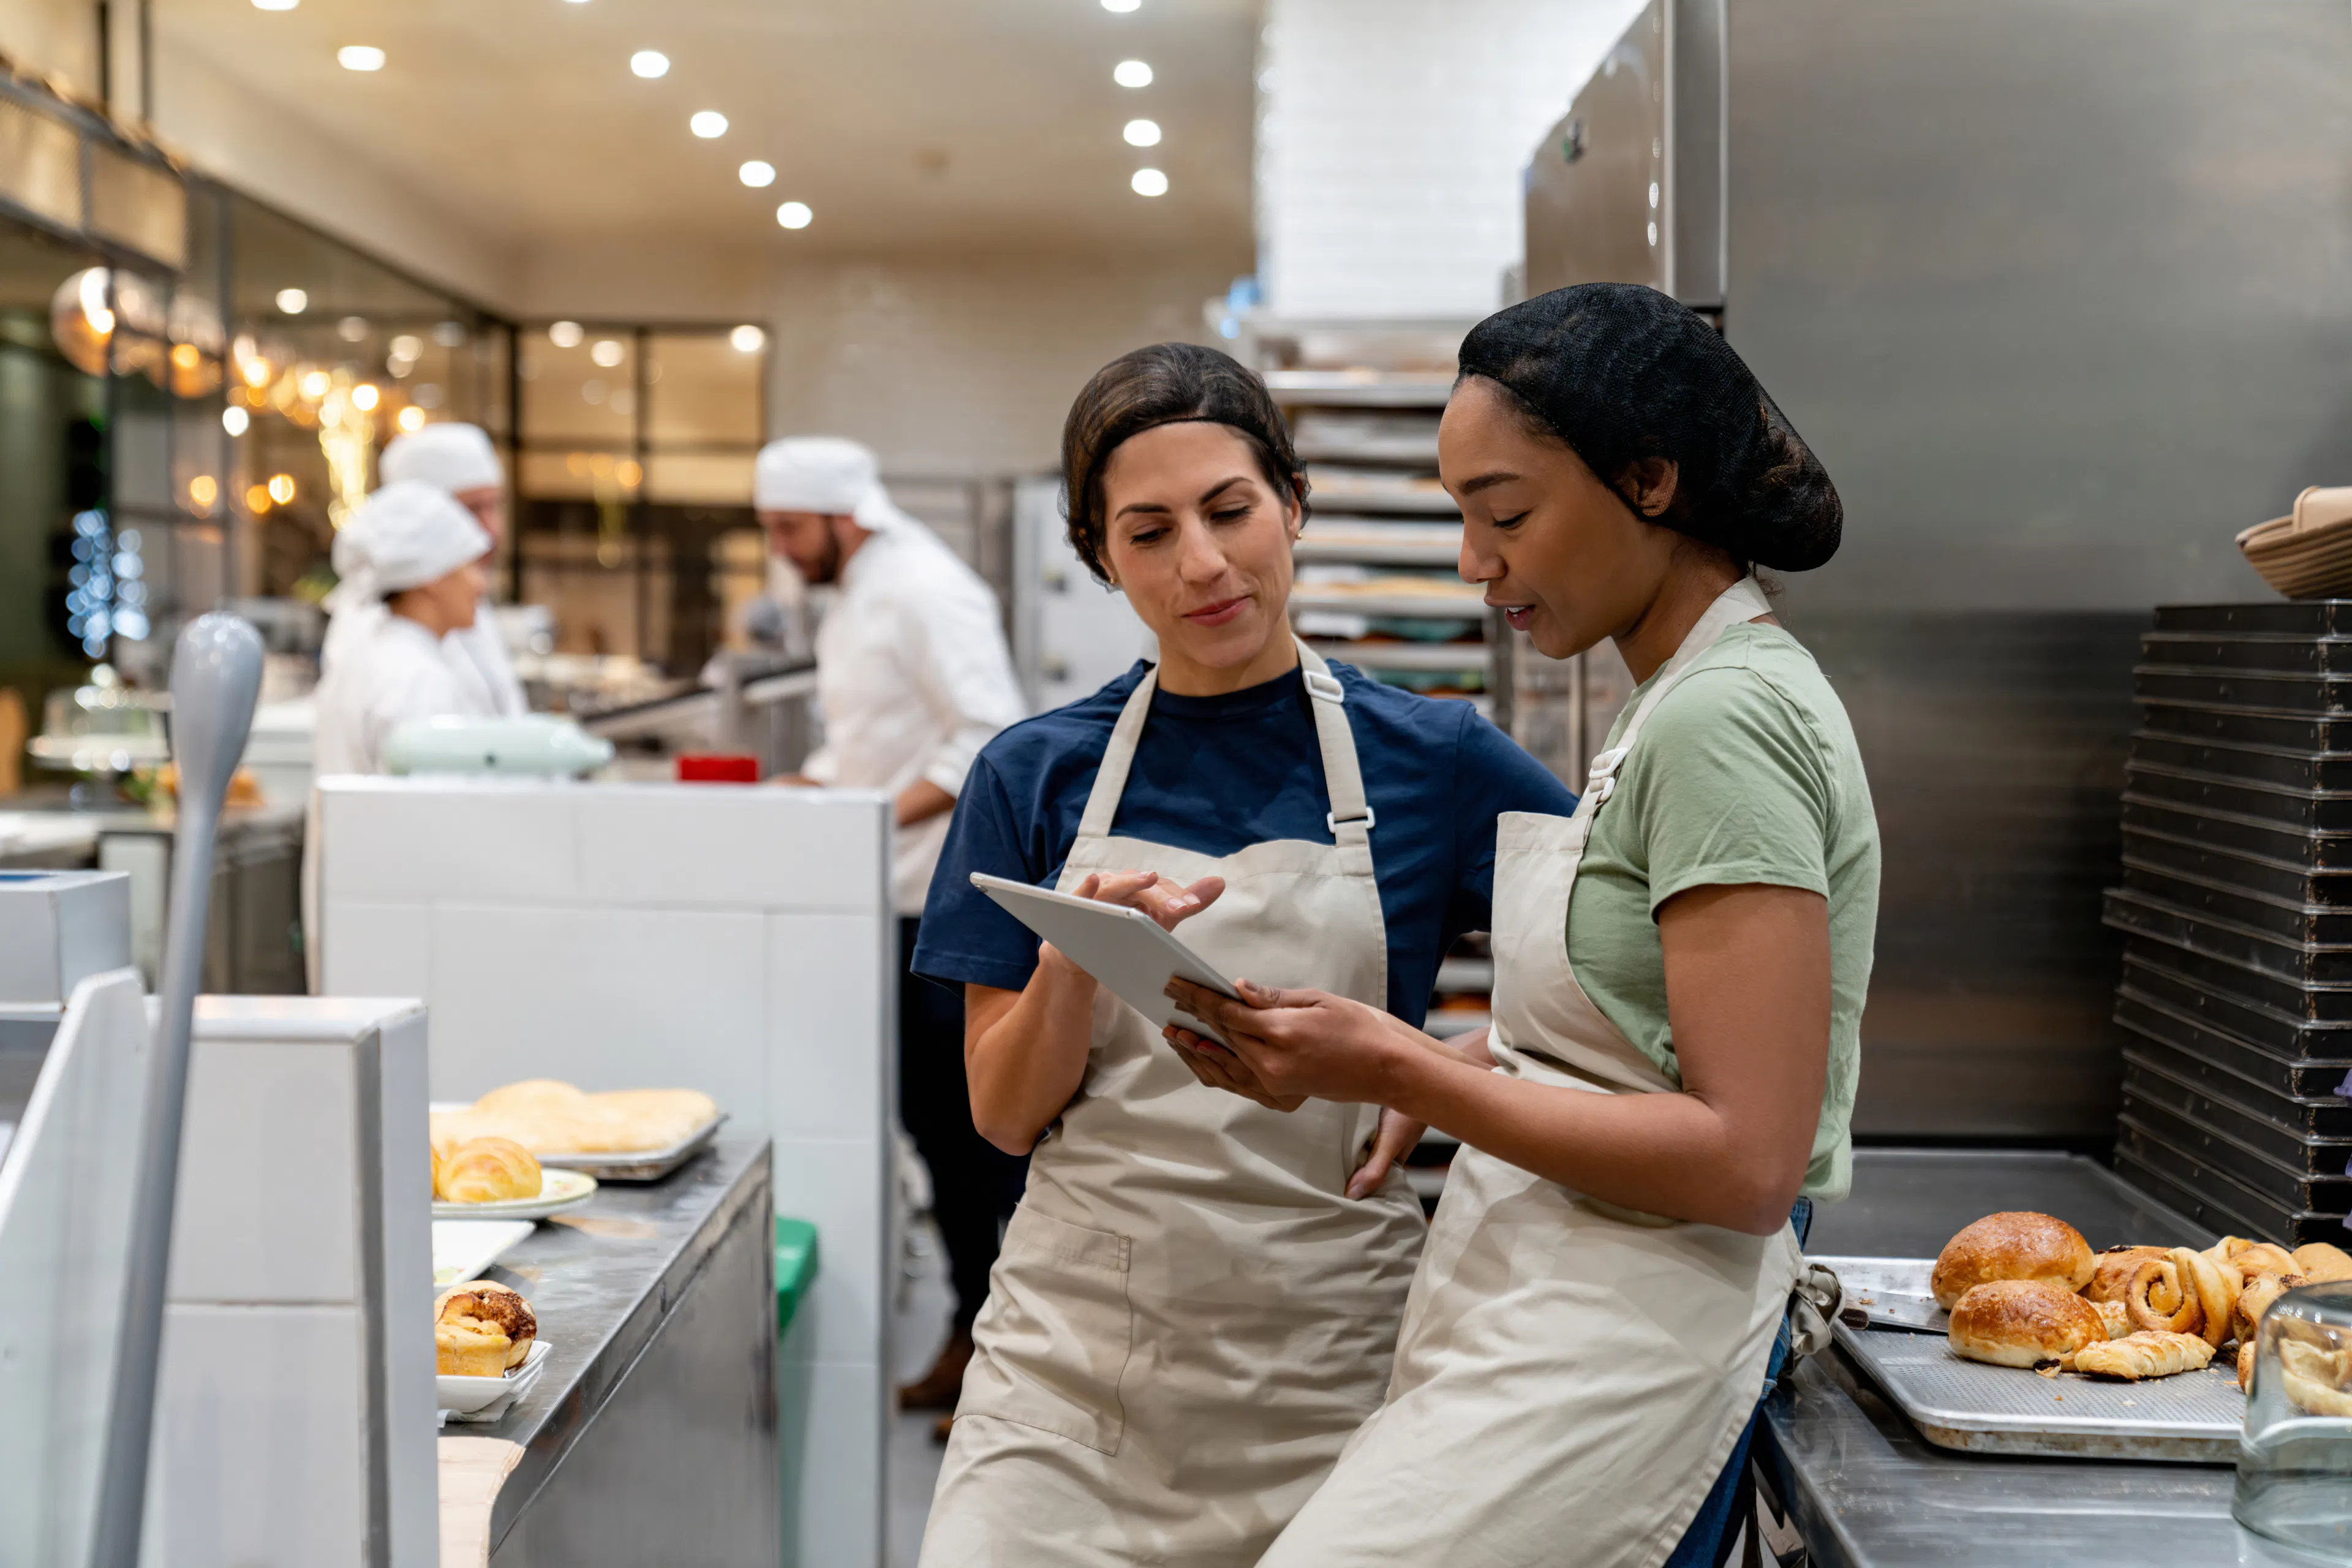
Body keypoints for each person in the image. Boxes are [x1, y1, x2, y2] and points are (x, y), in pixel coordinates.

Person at [1164, 282, 1879, 1568]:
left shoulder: (1725, 718)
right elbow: (1653, 1031)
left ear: (1651, 479)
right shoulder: (1670, 698)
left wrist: (1403, 1063)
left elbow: (1745, 1159)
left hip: (1635, 1328)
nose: (1473, 561)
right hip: (1568, 1293)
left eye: (1506, 514)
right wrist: (1478, 1063)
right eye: (1461, 516)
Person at [911, 343, 1578, 1567]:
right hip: (1072, 1381)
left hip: (1327, 1373)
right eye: (1149, 531)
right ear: (1102, 556)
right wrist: (1076, 948)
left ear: (1294, 502)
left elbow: (1626, 962)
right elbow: (1003, 1115)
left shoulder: (1432, 757)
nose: (1203, 564)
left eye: (1230, 510)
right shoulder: (1034, 771)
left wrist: (1475, 1053)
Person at [753, 435, 1030, 1413]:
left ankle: (1009, 1357)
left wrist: (872, 812)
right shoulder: (861, 593)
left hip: (944, 903)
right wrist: (816, 784)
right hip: (891, 897)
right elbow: (876, 738)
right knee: (933, 1132)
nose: (784, 549)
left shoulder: (924, 587)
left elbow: (987, 732)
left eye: (791, 527)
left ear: (844, 514)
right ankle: (973, 1327)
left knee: (972, 1139)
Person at [311, 481, 498, 776]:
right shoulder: (419, 682)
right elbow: (428, 811)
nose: (480, 585)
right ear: (432, 576)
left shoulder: (373, 659)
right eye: (472, 567)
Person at [367, 421, 526, 716]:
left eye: (496, 506)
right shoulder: (383, 645)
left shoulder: (466, 607)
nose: (492, 530)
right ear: (422, 519)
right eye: (473, 509)